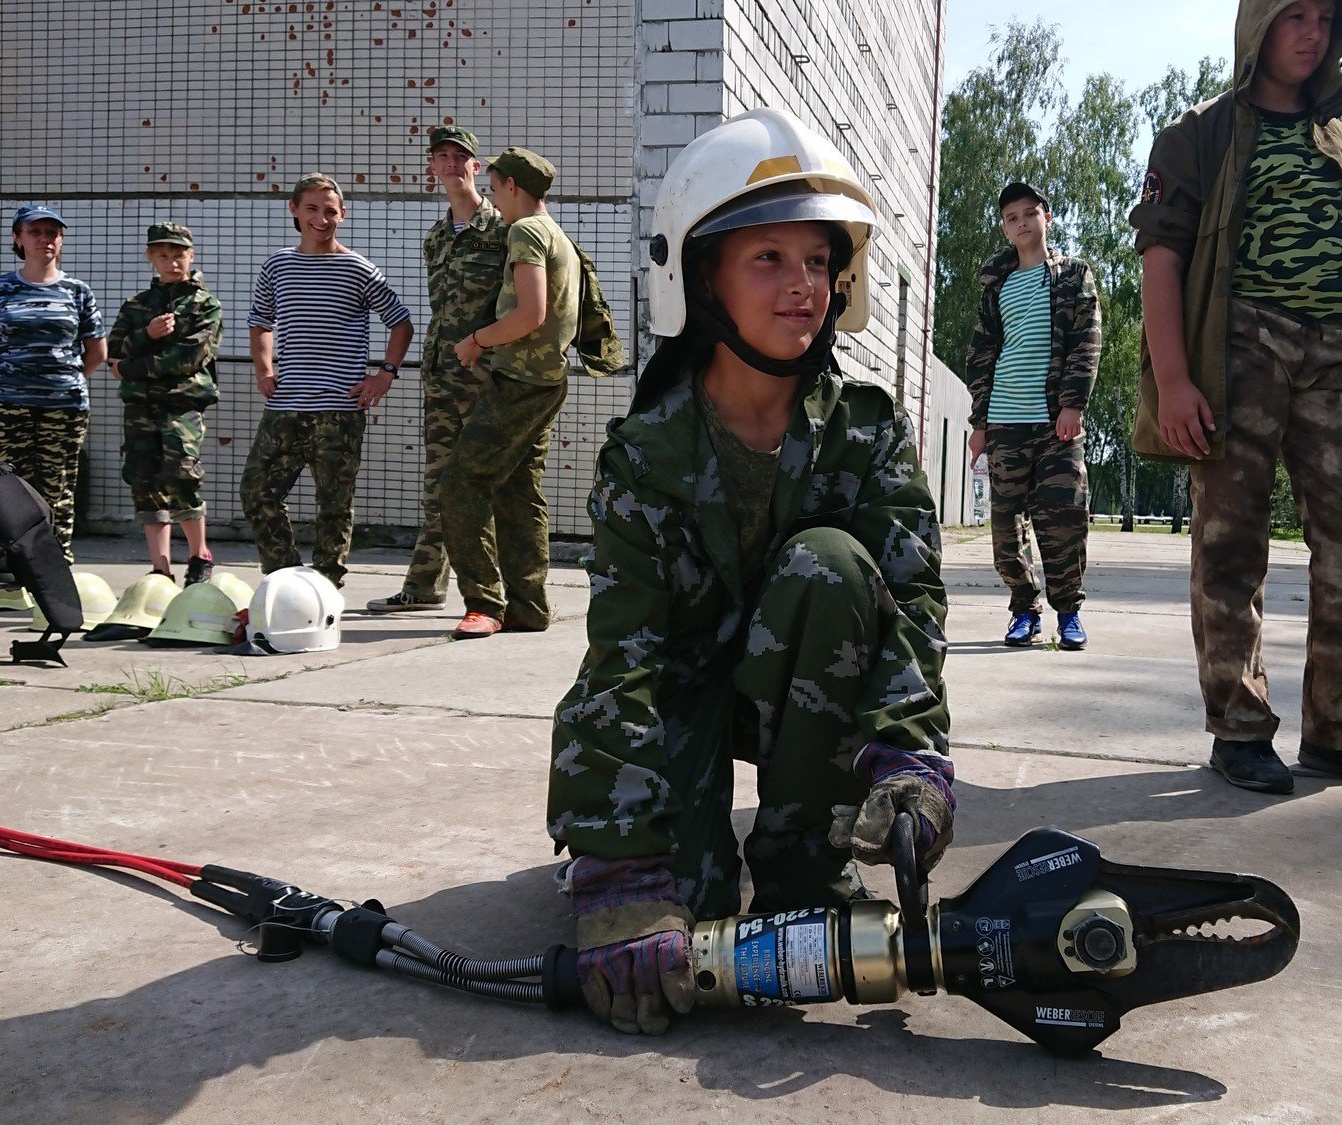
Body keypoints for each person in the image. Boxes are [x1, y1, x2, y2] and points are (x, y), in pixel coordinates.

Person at [548, 108, 951, 1036]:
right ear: (702, 278)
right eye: (768, 259)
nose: (804, 285)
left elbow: (914, 603)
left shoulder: (867, 429)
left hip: (810, 696)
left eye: (818, 261)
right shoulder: (645, 454)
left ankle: (803, 854)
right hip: (682, 700)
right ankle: (662, 851)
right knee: (685, 908)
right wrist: (621, 866)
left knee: (833, 565)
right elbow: (627, 658)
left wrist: (912, 750)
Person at [1129, 0, 1342, 796]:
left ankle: (1339, 730)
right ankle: (1239, 728)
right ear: (1257, 25)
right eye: (1293, 14)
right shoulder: (1199, 132)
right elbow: (1162, 256)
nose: (1311, 31)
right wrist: (1175, 380)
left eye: (1325, 17)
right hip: (1239, 351)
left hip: (1337, 354)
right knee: (1230, 546)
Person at [241, 173, 414, 588]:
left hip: (339, 410)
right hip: (285, 407)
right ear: (295, 211)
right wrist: (265, 370)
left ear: (343, 215)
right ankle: (285, 581)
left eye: (331, 211)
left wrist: (384, 376)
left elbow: (401, 323)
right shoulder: (278, 265)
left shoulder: (358, 269)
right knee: (257, 494)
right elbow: (260, 322)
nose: (322, 218)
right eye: (312, 209)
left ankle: (325, 586)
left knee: (333, 506)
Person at [368, 126, 511, 616]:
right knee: (438, 484)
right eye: (441, 157)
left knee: (486, 486)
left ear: (476, 167)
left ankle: (490, 596)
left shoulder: (503, 230)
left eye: (460, 157)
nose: (451, 165)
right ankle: (425, 585)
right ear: (432, 168)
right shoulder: (434, 237)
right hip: (442, 375)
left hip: (488, 376)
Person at [438, 147, 576, 639]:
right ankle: (528, 607)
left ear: (513, 186)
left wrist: (475, 341)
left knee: (460, 483)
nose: (493, 198)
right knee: (519, 492)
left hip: (518, 383)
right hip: (545, 381)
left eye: (494, 187)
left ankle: (484, 603)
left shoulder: (525, 232)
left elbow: (529, 314)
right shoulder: (556, 233)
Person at [964, 181, 1101, 650]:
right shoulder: (996, 285)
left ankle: (1068, 613)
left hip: (1055, 423)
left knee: (1063, 521)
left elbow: (1087, 341)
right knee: (1006, 527)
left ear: (1047, 218)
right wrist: (979, 424)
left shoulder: (1073, 275)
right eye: (1011, 218)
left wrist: (1073, 404)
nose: (1021, 223)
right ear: (1005, 229)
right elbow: (982, 354)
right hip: (1004, 421)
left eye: (1029, 214)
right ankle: (1024, 610)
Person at [0, 204, 108, 562]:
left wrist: (67, 380)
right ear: (18, 238)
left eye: (52, 233)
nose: (45, 239)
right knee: (12, 486)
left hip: (63, 406)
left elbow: (97, 351)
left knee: (58, 488)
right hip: (7, 404)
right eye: (35, 232)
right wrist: (4, 378)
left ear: (60, 241)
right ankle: (16, 565)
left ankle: (55, 565)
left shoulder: (78, 291)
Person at [108, 222, 224, 586]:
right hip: (140, 407)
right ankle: (160, 568)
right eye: (162, 254)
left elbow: (190, 357)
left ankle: (198, 556)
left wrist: (132, 367)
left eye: (178, 255)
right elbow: (111, 353)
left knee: (182, 476)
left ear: (191, 256)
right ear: (150, 257)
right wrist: (147, 334)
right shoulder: (137, 306)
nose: (171, 262)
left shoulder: (205, 304)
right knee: (143, 480)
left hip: (180, 405)